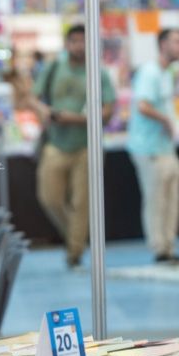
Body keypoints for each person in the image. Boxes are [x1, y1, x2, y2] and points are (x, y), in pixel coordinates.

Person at [33, 24, 116, 269]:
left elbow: (108, 112)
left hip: (86, 146)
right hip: (55, 143)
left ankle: (74, 251)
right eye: (75, 41)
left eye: (84, 41)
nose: (79, 46)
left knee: (83, 203)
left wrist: (77, 119)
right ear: (67, 44)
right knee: (49, 198)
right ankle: (74, 237)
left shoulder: (99, 73)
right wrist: (44, 112)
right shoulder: (54, 68)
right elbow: (33, 99)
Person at [126, 28, 179, 263]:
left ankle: (169, 246)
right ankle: (159, 248)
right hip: (149, 149)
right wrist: (166, 120)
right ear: (163, 45)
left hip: (166, 148)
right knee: (156, 200)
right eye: (176, 41)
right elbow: (143, 106)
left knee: (171, 200)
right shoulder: (150, 72)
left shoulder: (166, 73)